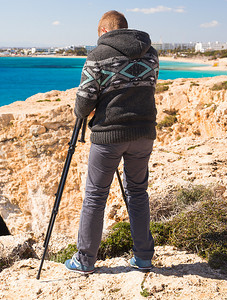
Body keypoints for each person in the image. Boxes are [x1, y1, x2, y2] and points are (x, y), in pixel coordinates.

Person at [65, 10, 159, 274]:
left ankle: (85, 260)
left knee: (95, 196)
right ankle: (143, 257)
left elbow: (83, 106)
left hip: (108, 136)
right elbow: (147, 87)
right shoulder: (151, 52)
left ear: (104, 32)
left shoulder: (98, 56)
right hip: (143, 133)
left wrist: (93, 107)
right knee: (138, 193)